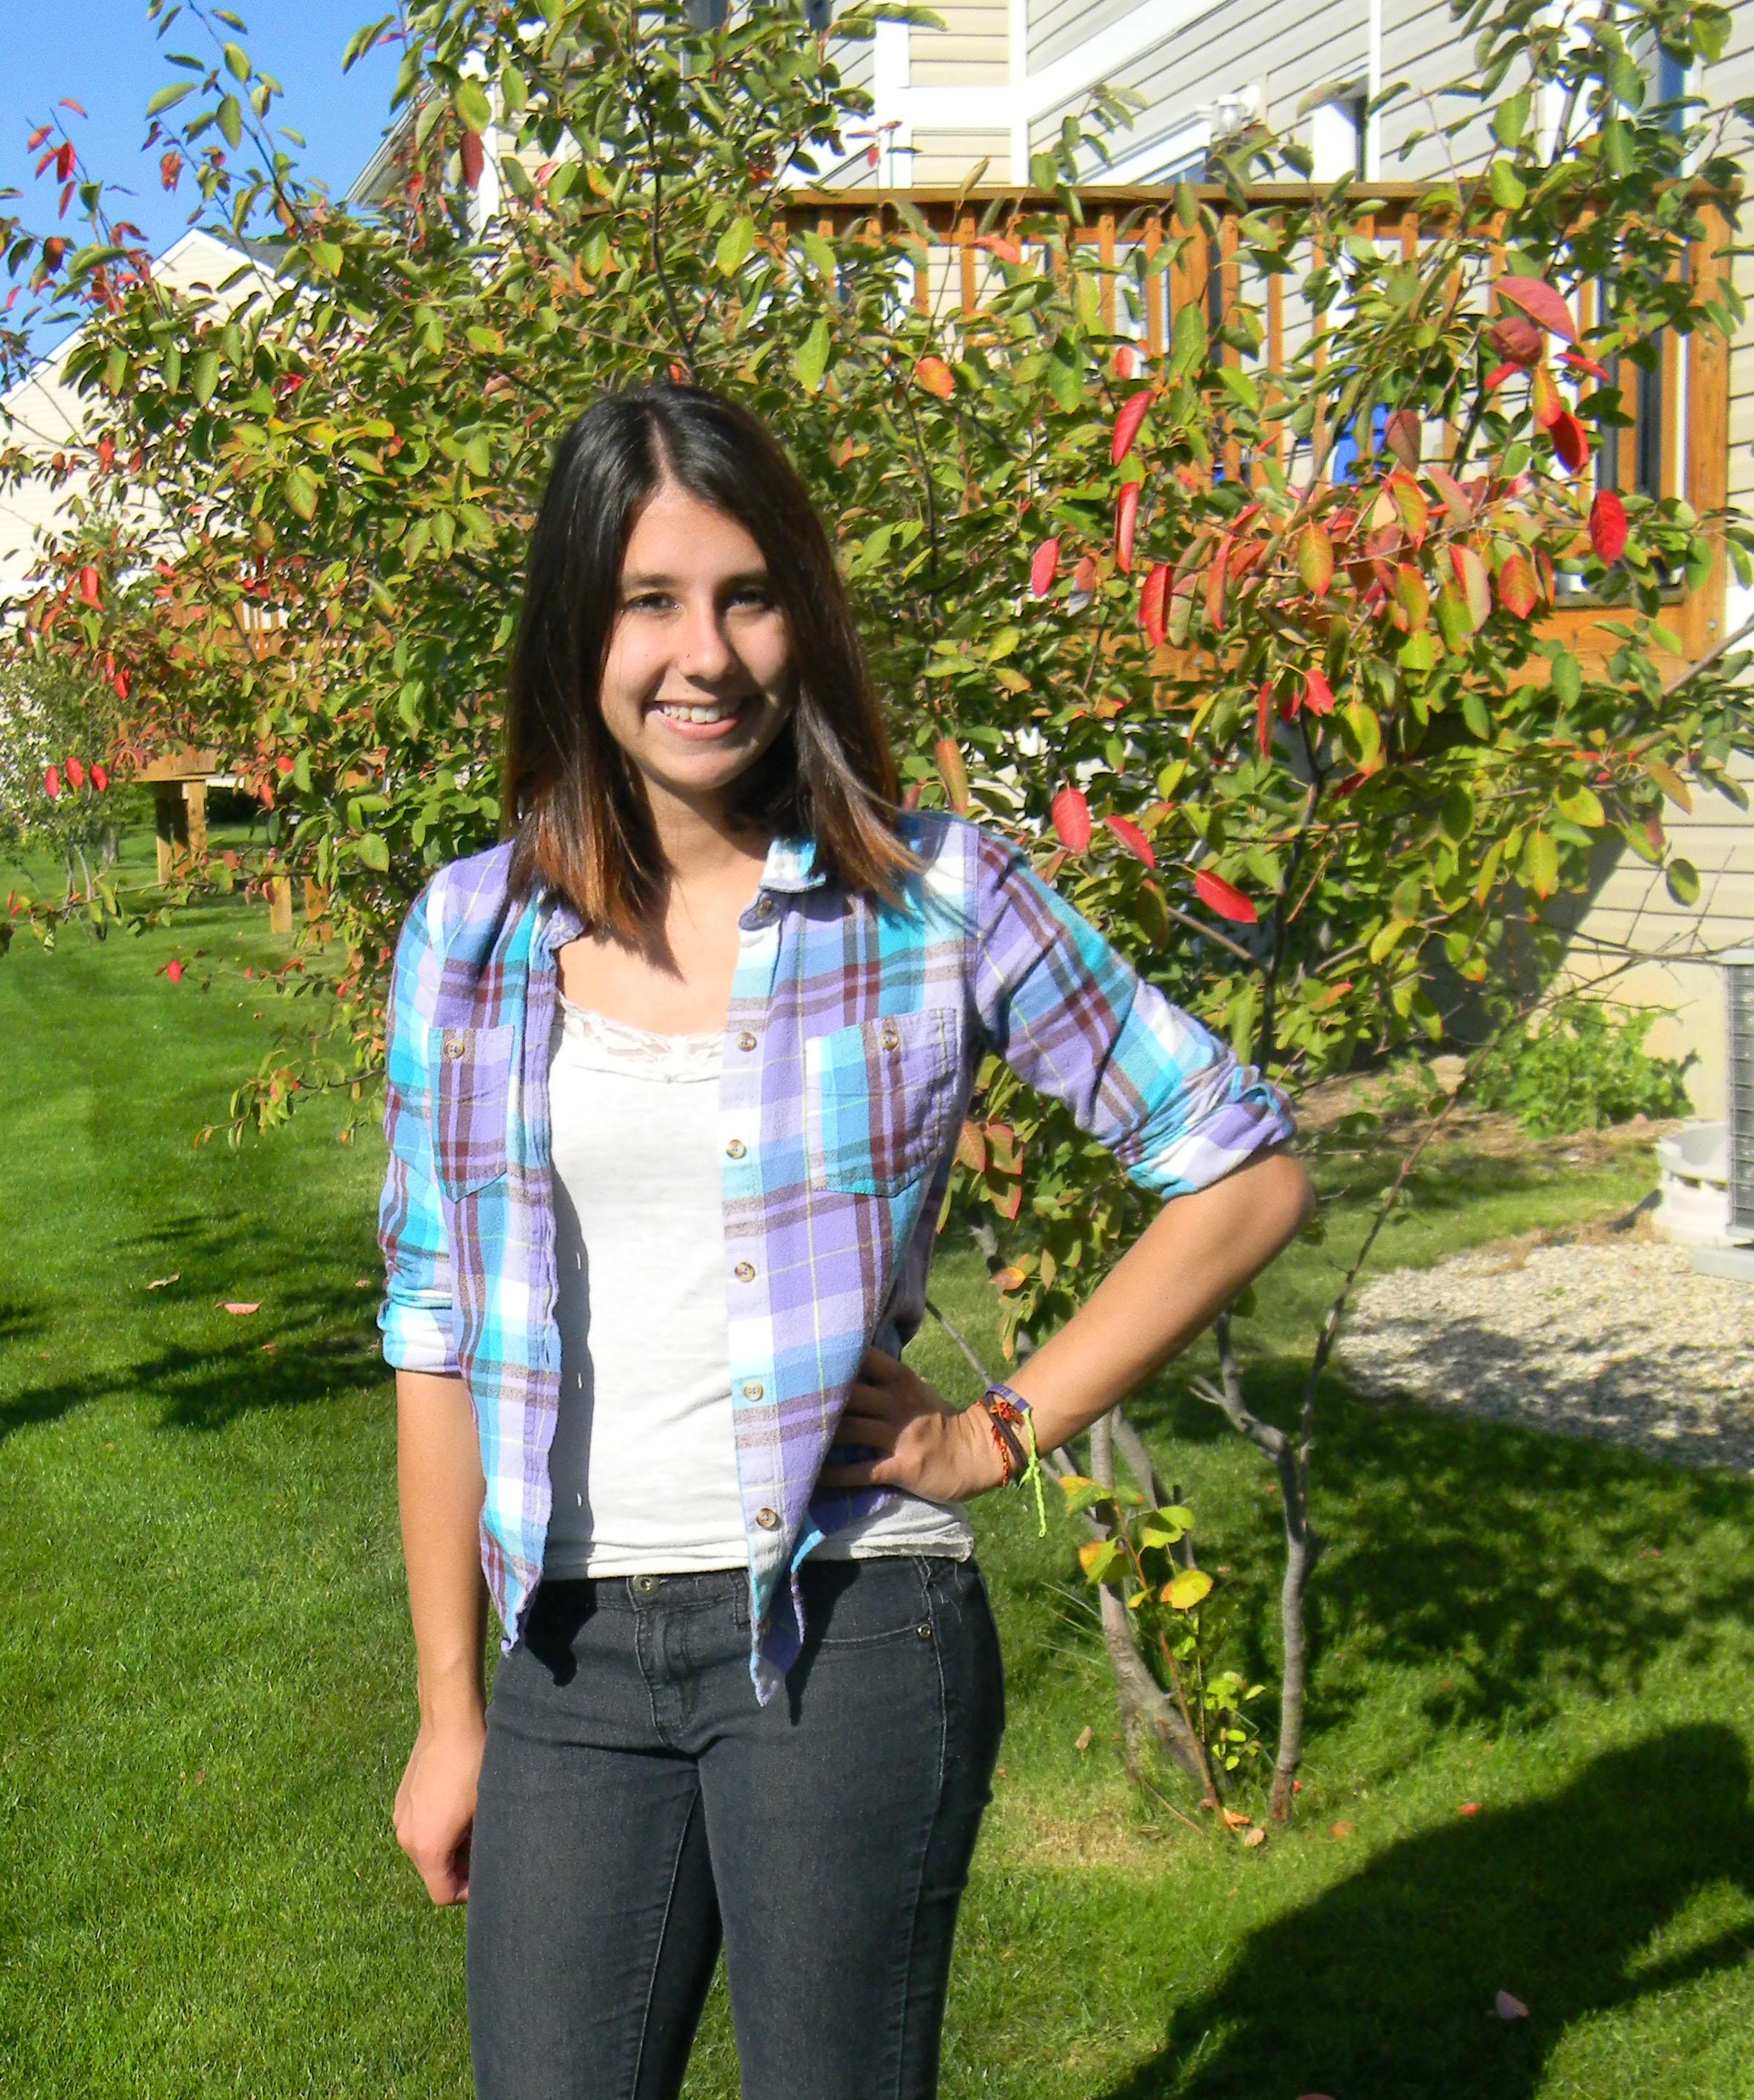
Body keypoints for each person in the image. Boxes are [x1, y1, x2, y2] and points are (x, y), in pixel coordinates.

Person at [378, 383, 1313, 2099]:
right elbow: (434, 1328)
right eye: (650, 602)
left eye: (747, 596)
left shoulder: (932, 898)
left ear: (801, 613)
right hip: (570, 1649)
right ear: (578, 627)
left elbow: (1239, 1169)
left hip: (850, 1621)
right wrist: (454, 1710)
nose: (705, 654)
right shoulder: (470, 934)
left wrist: (998, 1429)